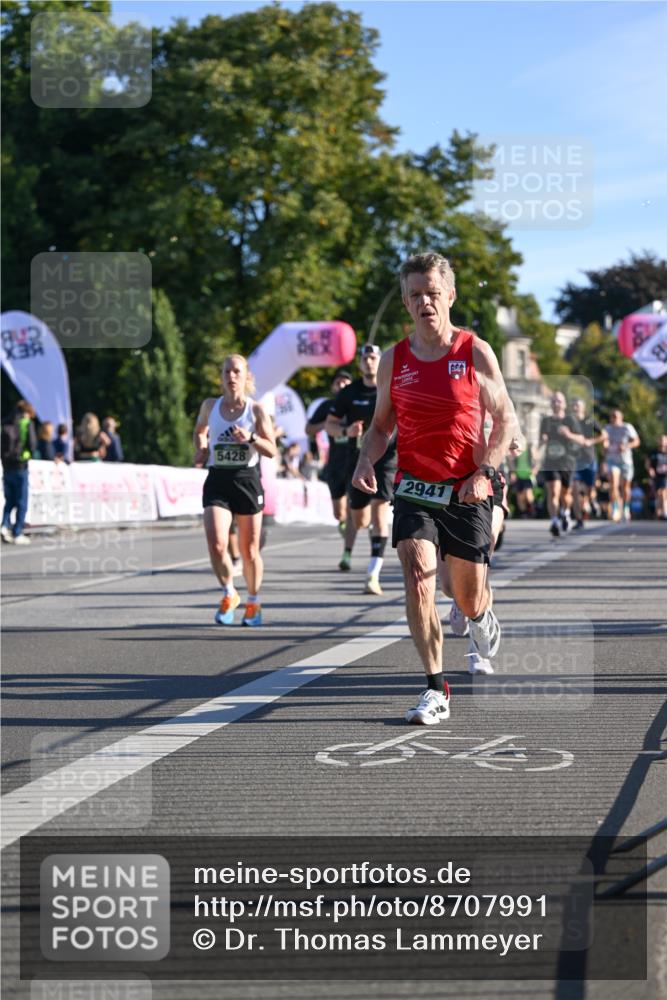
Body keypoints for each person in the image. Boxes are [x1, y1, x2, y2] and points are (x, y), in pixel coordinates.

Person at [352, 252, 517, 725]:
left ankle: (481, 617)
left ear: (450, 295)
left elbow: (505, 420)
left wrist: (484, 470)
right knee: (416, 574)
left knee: (463, 595)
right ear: (406, 303)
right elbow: (382, 426)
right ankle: (434, 688)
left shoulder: (474, 352)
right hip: (415, 487)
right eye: (415, 295)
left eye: (432, 292)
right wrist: (367, 456)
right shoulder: (393, 360)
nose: (425, 301)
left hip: (467, 487)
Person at [193, 353, 276, 627]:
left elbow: (272, 449)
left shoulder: (256, 410)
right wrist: (202, 449)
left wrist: (251, 438)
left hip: (247, 480)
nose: (231, 376)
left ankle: (253, 600)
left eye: (237, 372)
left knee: (249, 550)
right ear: (221, 377)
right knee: (217, 544)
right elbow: (200, 430)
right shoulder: (209, 406)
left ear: (246, 377)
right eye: (227, 371)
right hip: (218, 479)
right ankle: (229, 593)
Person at [326, 344, 397, 595]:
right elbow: (330, 425)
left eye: (373, 358)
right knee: (360, 520)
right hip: (356, 461)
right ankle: (368, 546)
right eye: (365, 358)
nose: (369, 362)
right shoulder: (349, 393)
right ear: (360, 363)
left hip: (387, 459)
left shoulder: (391, 386)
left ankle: (372, 574)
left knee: (379, 515)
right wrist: (346, 431)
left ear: (380, 361)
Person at [305, 369, 353, 539]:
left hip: (355, 460)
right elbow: (308, 429)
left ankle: (354, 534)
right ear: (333, 387)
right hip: (335, 462)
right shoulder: (327, 407)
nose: (341, 385)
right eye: (338, 382)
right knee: (338, 512)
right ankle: (345, 523)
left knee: (353, 505)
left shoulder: (358, 404)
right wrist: (326, 425)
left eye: (345, 382)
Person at [539, 391, 584, 537]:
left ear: (564, 404)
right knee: (553, 491)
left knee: (566, 494)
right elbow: (541, 439)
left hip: (567, 462)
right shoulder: (546, 421)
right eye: (554, 401)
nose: (556, 403)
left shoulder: (570, 420)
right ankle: (554, 521)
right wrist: (541, 442)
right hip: (551, 461)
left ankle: (566, 512)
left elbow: (582, 439)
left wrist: (569, 434)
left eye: (559, 401)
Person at [1, 400, 37, 545]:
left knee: (9, 500)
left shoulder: (4, 423)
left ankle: (4, 525)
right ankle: (17, 532)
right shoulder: (26, 424)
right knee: (22, 502)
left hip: (6, 466)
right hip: (21, 466)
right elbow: (33, 445)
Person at [570, 397, 605, 528]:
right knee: (575, 489)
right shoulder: (569, 422)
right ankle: (579, 520)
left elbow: (604, 435)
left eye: (577, 405)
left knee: (590, 488)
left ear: (583, 408)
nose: (575, 407)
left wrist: (591, 441)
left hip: (589, 458)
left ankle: (592, 500)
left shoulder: (590, 420)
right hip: (574, 460)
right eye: (573, 405)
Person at [604, 408, 640, 522]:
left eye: (616, 416)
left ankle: (625, 508)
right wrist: (605, 447)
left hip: (625, 461)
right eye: (612, 416)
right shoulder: (607, 428)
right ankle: (615, 508)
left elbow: (637, 441)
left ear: (621, 418)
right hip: (612, 460)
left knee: (625, 487)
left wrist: (626, 446)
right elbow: (603, 440)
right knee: (613, 484)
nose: (614, 419)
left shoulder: (627, 427)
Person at [646, 435, 667, 520]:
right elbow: (648, 463)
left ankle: (664, 511)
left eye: (664, 440)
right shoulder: (653, 452)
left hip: (666, 475)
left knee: (664, 492)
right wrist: (650, 469)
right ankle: (659, 511)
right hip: (657, 476)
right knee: (658, 493)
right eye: (660, 440)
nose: (662, 442)